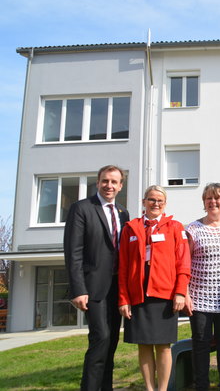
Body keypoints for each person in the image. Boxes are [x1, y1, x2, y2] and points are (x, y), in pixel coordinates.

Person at [118, 185, 190, 391]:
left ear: (165, 204)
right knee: (144, 344)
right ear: (144, 202)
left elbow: (183, 262)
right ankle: (149, 388)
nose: (155, 203)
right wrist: (123, 298)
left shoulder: (175, 227)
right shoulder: (130, 228)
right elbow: (123, 267)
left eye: (160, 200)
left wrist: (180, 292)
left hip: (165, 294)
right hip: (138, 294)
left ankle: (163, 388)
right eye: (151, 199)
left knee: (164, 346)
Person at [64, 165, 130, 391]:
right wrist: (78, 289)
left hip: (117, 288)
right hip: (93, 288)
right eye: (105, 181)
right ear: (98, 182)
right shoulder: (81, 208)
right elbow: (73, 252)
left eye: (114, 182)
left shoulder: (123, 213)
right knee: (100, 337)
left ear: (121, 186)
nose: (109, 185)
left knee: (111, 341)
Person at [184, 183, 220, 391]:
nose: (213, 202)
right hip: (199, 298)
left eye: (217, 198)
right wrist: (185, 293)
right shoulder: (192, 229)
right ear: (204, 202)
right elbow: (184, 263)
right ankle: (202, 386)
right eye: (208, 198)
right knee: (200, 344)